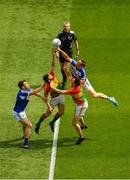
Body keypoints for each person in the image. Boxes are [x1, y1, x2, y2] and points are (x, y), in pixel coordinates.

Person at [35, 49, 65, 134]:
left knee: (62, 112)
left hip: (61, 96)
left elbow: (53, 65)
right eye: (49, 76)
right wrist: (49, 106)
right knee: (47, 113)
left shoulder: (52, 75)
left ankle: (52, 122)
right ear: (48, 79)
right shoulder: (47, 86)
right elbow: (45, 97)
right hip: (54, 98)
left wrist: (53, 55)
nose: (51, 76)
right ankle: (38, 123)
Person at [51, 77, 88, 145]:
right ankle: (83, 125)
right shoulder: (79, 84)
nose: (71, 81)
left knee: (74, 123)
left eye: (73, 81)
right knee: (77, 115)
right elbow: (80, 79)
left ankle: (81, 137)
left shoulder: (74, 90)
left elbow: (61, 92)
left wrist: (52, 87)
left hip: (81, 106)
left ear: (74, 84)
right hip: (79, 104)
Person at [12, 80, 45, 149]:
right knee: (29, 125)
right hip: (18, 112)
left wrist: (42, 97)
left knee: (26, 124)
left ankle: (25, 135)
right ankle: (25, 144)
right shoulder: (21, 93)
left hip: (21, 111)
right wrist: (42, 86)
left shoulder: (27, 90)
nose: (28, 84)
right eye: (26, 84)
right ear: (23, 87)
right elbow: (34, 92)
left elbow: (34, 93)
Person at [56, 21, 79, 89]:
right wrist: (57, 52)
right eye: (65, 26)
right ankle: (64, 80)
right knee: (62, 69)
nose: (66, 28)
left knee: (65, 68)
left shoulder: (72, 33)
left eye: (67, 26)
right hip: (61, 52)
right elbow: (56, 44)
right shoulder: (60, 34)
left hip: (69, 53)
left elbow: (75, 41)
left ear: (69, 27)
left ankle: (67, 82)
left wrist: (77, 49)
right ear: (63, 27)